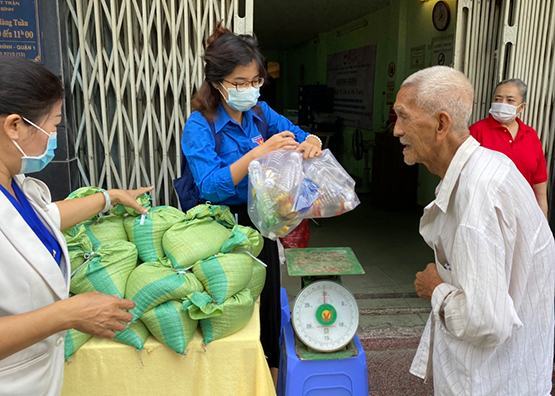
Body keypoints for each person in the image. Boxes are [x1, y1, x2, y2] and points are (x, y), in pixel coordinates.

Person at [392, 66, 555, 395]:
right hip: (501, 372)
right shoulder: (478, 171)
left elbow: (485, 320)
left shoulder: (478, 194)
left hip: (493, 381)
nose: (396, 130)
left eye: (403, 117)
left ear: (441, 124)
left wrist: (435, 287)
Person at [0, 56, 152, 395]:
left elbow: (42, 221)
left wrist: (109, 197)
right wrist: (65, 314)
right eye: (52, 125)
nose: (54, 136)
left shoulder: (15, 184)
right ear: (14, 126)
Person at [181, 24, 322, 382]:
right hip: (218, 230)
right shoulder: (200, 125)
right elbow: (211, 186)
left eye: (255, 81)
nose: (250, 90)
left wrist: (311, 142)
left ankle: (269, 380)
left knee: (268, 309)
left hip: (261, 222)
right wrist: (259, 153)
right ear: (217, 82)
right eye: (240, 83)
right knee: (227, 313)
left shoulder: (261, 113)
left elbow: (302, 134)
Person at [470, 78, 548, 216]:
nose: (502, 104)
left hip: (523, 214)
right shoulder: (476, 131)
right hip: (485, 214)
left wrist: (543, 222)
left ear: (522, 107)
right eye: (498, 99)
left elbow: (539, 186)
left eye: (510, 100)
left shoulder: (531, 136)